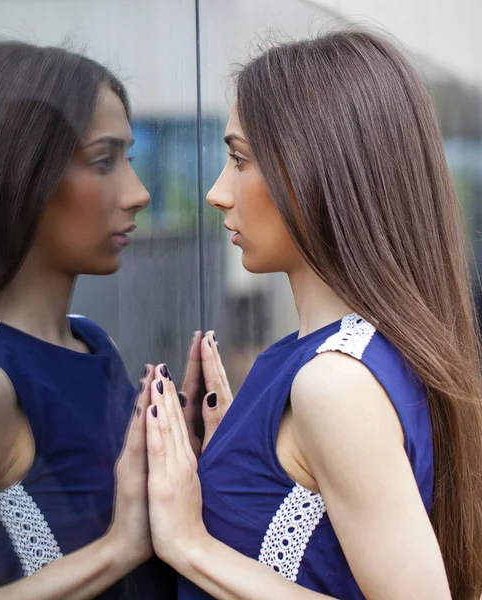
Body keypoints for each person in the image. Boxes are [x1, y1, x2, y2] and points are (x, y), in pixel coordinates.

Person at [144, 30, 482, 600]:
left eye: (238, 158)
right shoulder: (331, 358)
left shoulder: (335, 381)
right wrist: (239, 458)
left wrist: (188, 544)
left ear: (317, 171)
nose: (217, 192)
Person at [0, 41, 177, 599]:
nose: (137, 193)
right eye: (102, 161)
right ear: (21, 177)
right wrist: (117, 550)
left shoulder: (92, 344)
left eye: (128, 159)